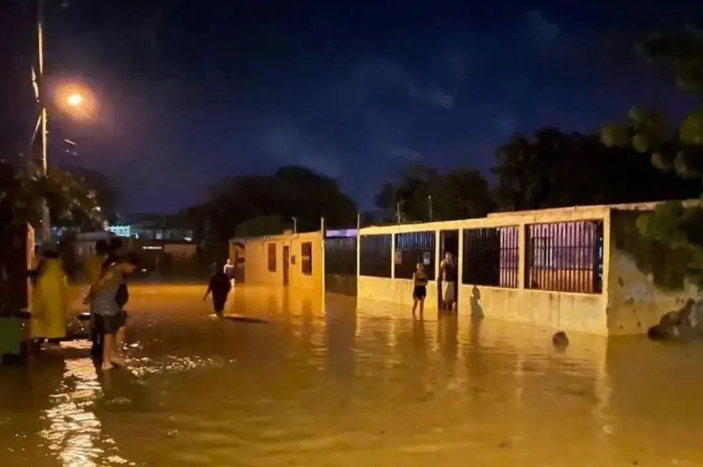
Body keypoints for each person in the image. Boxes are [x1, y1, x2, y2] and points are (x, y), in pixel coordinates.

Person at [89, 254, 139, 371]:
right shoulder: (111, 272)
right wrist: (90, 296)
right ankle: (106, 362)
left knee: (120, 328)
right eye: (131, 268)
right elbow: (98, 286)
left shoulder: (116, 272)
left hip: (113, 306)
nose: (131, 271)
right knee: (108, 333)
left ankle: (113, 355)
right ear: (126, 264)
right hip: (105, 306)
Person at [31, 250, 69, 344]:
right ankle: (55, 337)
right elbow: (65, 283)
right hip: (57, 299)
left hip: (42, 297)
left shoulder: (43, 267)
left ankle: (40, 337)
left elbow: (35, 280)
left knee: (42, 318)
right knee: (56, 318)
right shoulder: (59, 268)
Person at [85, 240, 110, 358]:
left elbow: (93, 278)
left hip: (95, 292)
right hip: (104, 293)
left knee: (95, 322)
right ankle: (102, 346)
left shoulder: (91, 261)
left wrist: (90, 295)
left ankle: (95, 346)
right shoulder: (106, 262)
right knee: (104, 321)